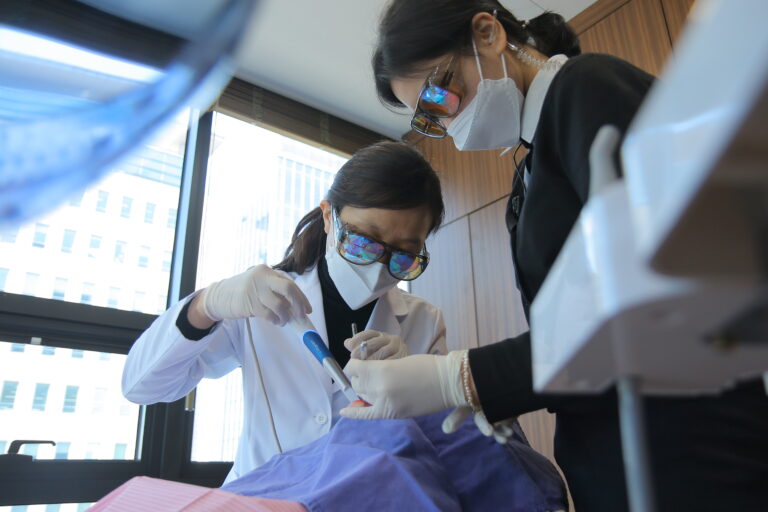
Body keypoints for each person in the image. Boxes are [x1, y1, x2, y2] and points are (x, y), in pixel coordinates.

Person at [341, 2, 768, 511]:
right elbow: (580, 332)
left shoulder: (589, 88)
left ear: (488, 33)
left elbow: (663, 295)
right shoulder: (531, 167)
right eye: (428, 118)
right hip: (615, 466)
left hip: (694, 461)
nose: (446, 121)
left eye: (440, 94)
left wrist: (464, 378)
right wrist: (495, 393)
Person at [122, 141, 448, 483]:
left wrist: (413, 387)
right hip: (257, 501)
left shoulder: (425, 322)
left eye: (404, 255)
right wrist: (206, 305)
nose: (379, 266)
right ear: (328, 217)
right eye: (364, 240)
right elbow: (142, 387)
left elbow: (441, 447)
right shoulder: (260, 298)